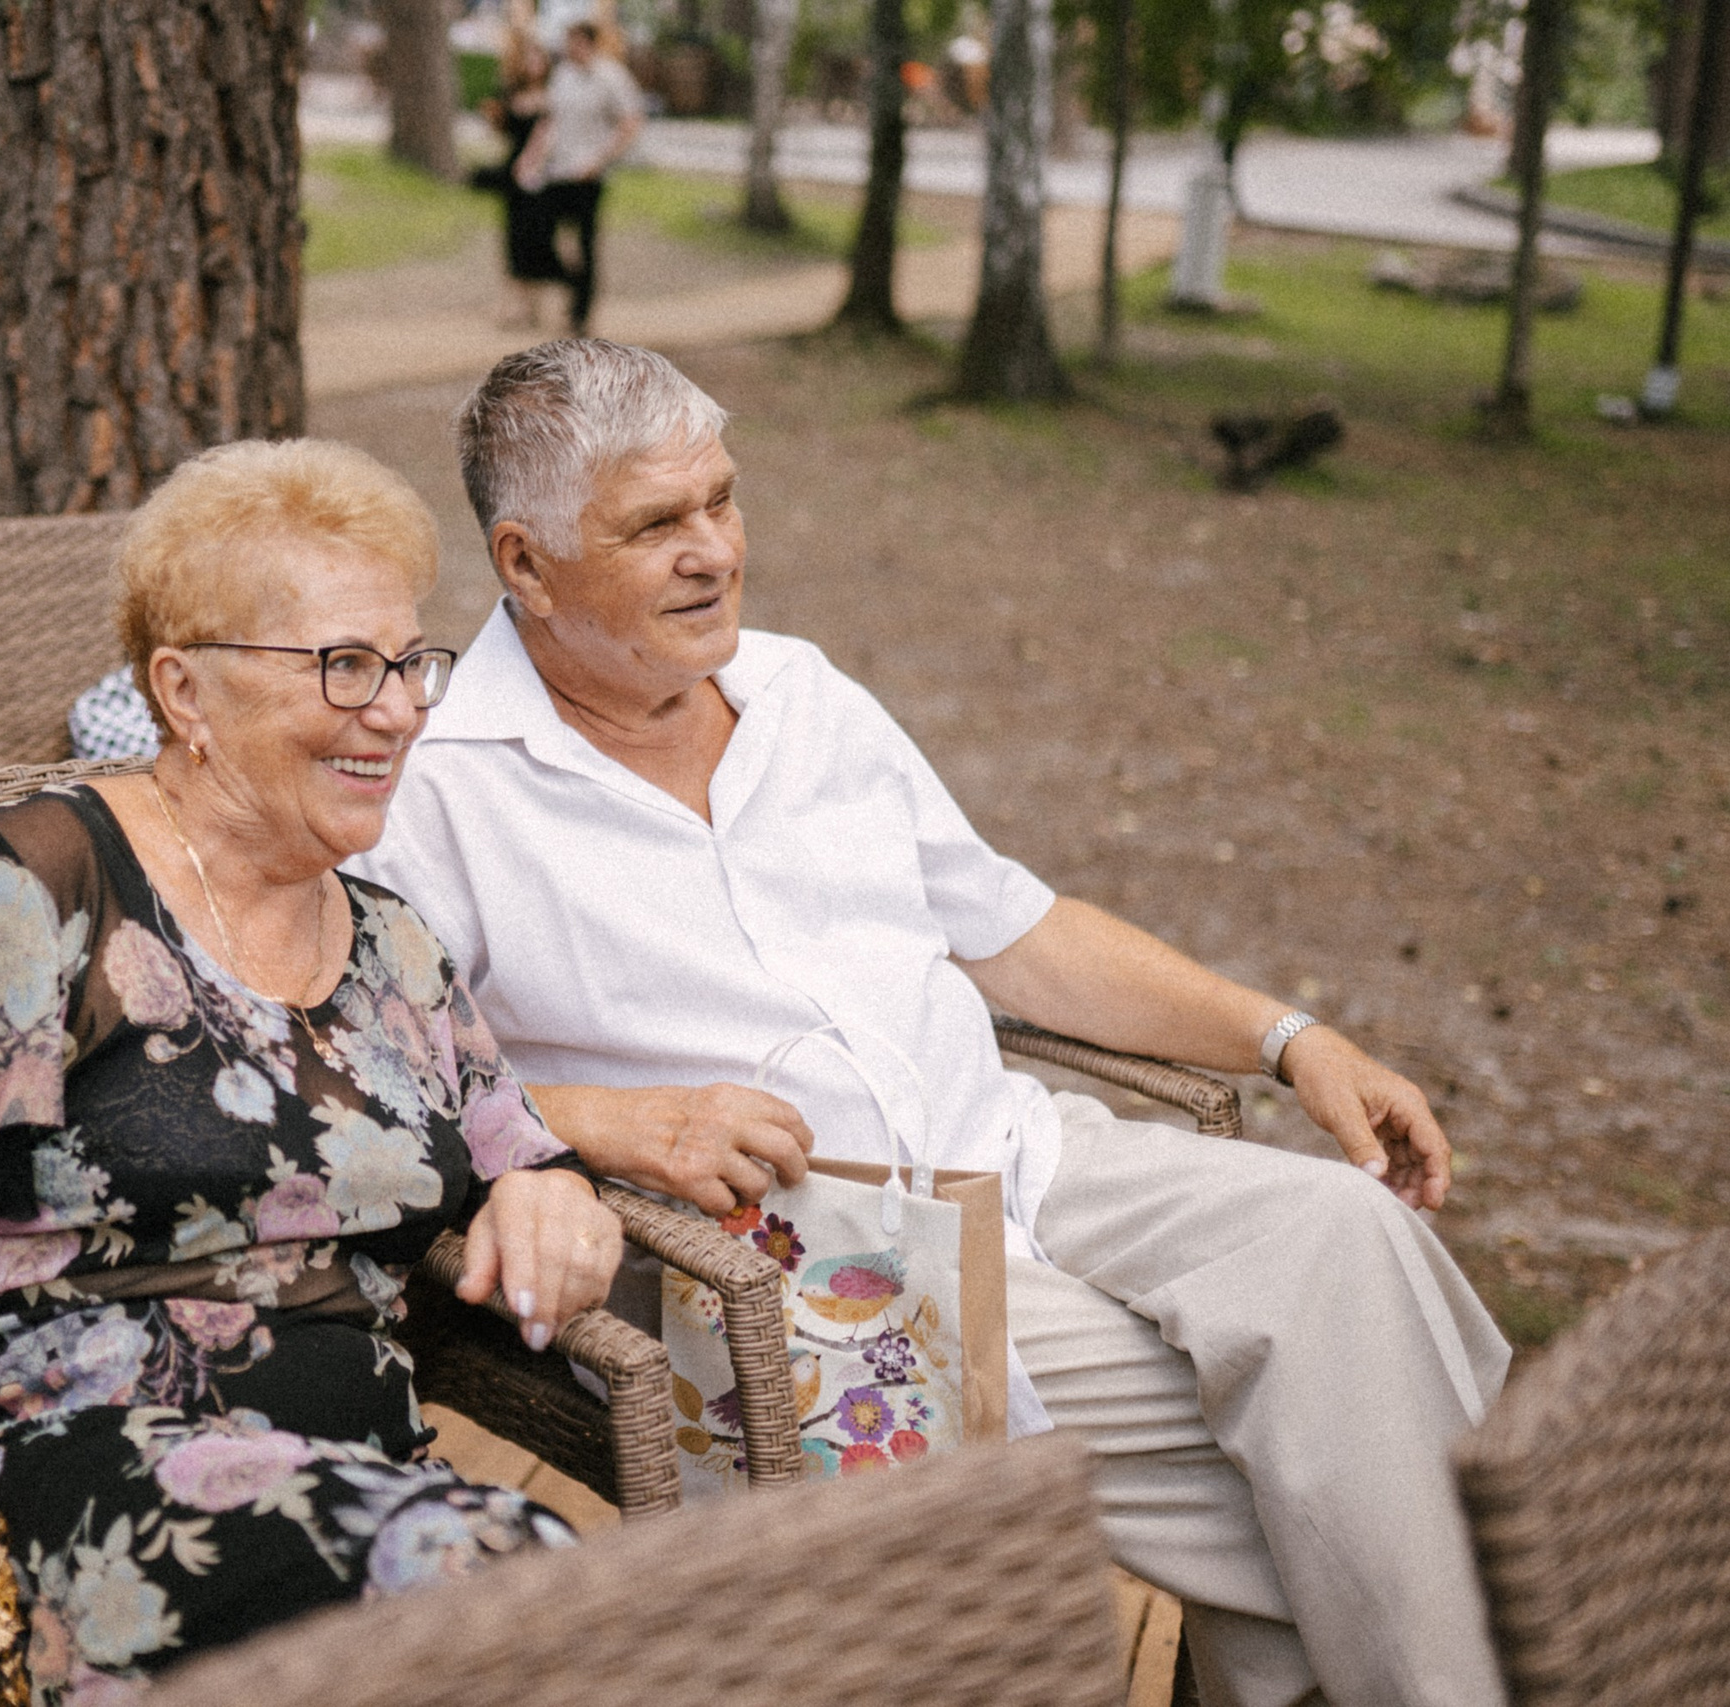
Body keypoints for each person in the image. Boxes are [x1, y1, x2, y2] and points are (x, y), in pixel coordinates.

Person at [353, 340, 1513, 1707]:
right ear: (526, 563)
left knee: (1347, 1235)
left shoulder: (804, 693)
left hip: (1017, 1147)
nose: (715, 549)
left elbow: (1019, 931)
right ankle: (1500, 1642)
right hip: (790, 1251)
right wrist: (615, 1121)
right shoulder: (436, 783)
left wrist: (1291, 1036)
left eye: (722, 500)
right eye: (656, 522)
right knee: (1337, 1438)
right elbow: (373, 1069)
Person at [0, 439, 623, 1698]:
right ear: (183, 687)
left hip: (346, 1491)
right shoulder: (38, 879)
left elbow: (511, 1145)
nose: (394, 708)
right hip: (37, 1473)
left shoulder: (391, 940)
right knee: (516, 1574)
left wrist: (549, 1192)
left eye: (406, 663)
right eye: (342, 666)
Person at [511, 22, 643, 336]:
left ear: (589, 44)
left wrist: (599, 160)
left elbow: (630, 122)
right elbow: (551, 121)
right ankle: (570, 286)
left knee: (584, 243)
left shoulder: (611, 77)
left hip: (588, 175)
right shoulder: (563, 76)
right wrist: (532, 158)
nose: (570, 50)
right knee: (542, 233)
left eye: (576, 43)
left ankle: (581, 313)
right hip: (558, 172)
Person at [478, 29, 565, 330]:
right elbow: (505, 133)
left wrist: (533, 161)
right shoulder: (513, 95)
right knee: (513, 239)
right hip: (514, 174)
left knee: (538, 238)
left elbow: (550, 137)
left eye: (537, 59)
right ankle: (513, 304)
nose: (532, 64)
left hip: (540, 175)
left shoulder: (552, 99)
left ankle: (534, 304)